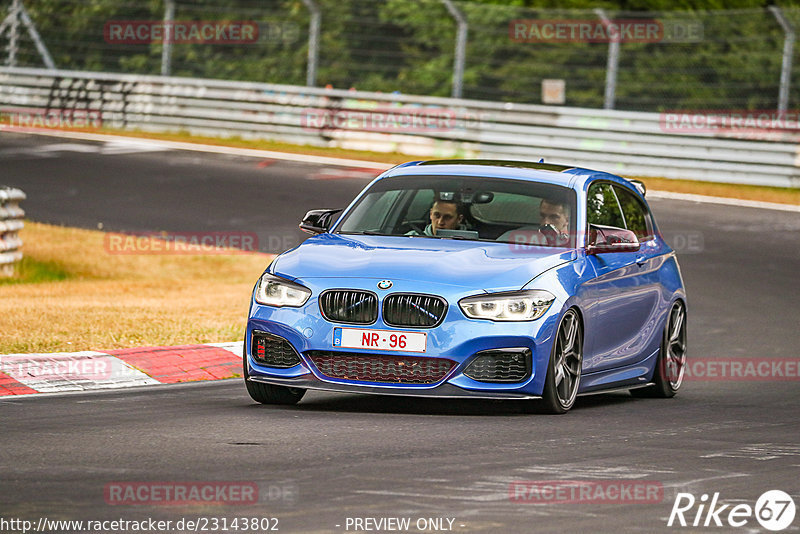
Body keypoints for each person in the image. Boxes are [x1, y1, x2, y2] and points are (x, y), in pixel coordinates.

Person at [496, 197, 570, 244]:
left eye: (553, 217)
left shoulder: (574, 244)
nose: (545, 222)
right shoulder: (516, 236)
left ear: (567, 220)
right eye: (542, 216)